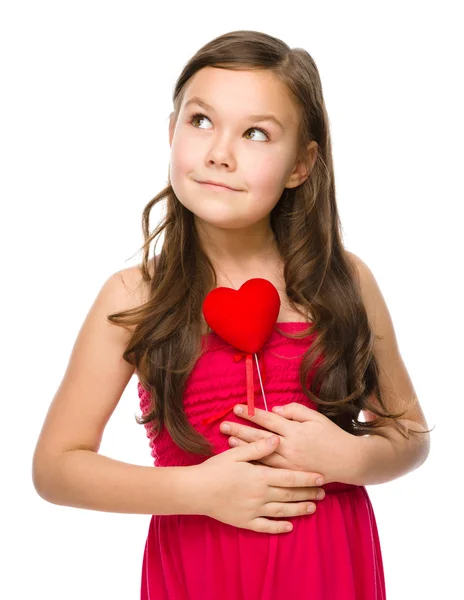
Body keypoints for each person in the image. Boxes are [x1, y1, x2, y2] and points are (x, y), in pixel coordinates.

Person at [32, 30, 432, 600]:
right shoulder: (131, 295)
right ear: (171, 132)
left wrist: (355, 454)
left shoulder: (345, 281)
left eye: (255, 133)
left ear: (301, 163)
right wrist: (199, 491)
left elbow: (410, 432)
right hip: (201, 569)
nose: (220, 151)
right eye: (201, 122)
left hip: (328, 567)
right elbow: (55, 467)